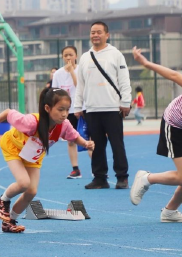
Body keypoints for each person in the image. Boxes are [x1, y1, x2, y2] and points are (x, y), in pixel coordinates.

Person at [0, 87, 94, 233]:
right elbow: (8, 113)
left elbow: (74, 136)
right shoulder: (31, 122)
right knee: (23, 183)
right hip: (13, 148)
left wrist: (85, 143)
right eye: (60, 109)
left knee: (31, 191)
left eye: (67, 109)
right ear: (47, 108)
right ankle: (4, 200)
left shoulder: (63, 125)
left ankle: (10, 222)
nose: (64, 114)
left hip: (33, 156)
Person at [74, 21, 132, 189]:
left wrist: (125, 102)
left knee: (117, 144)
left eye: (99, 32)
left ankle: (122, 177)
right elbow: (81, 85)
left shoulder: (115, 54)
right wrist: (78, 107)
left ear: (107, 35)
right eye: (92, 32)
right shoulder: (85, 57)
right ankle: (100, 178)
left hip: (113, 108)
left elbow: (124, 80)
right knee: (96, 146)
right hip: (91, 109)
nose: (95, 35)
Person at [130, 46, 182, 222]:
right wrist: (145, 63)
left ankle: (170, 212)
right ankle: (147, 178)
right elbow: (173, 75)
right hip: (174, 124)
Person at [51, 46, 90, 179]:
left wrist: (72, 71)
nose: (68, 58)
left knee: (89, 139)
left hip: (83, 109)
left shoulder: (81, 70)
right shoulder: (58, 74)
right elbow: (54, 92)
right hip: (68, 112)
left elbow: (80, 87)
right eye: (65, 55)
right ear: (62, 57)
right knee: (71, 140)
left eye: (71, 55)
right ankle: (75, 169)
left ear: (76, 56)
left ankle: (98, 169)